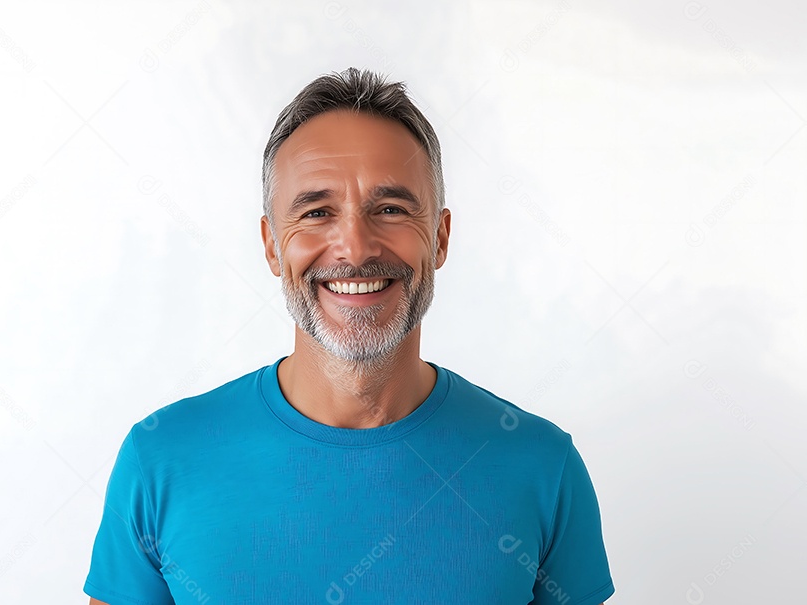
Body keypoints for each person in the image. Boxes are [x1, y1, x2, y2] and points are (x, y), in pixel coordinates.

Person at [83, 67, 614, 604]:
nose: (356, 249)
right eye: (317, 212)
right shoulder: (161, 461)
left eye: (391, 209)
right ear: (272, 246)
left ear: (440, 237)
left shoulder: (543, 467)